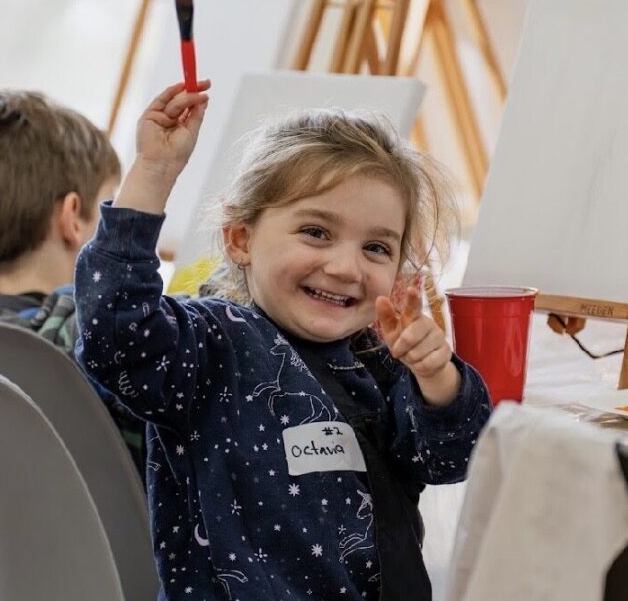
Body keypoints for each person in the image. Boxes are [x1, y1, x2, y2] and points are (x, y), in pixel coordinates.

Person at [75, 81, 491, 600]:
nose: (345, 267)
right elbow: (115, 331)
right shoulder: (208, 345)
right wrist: (154, 174)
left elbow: (452, 457)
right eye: (316, 232)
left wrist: (437, 377)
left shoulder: (380, 360)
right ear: (240, 238)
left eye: (377, 247)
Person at [0, 89, 146, 476]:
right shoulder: (81, 334)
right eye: (109, 208)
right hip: (118, 536)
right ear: (73, 218)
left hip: (5, 538)